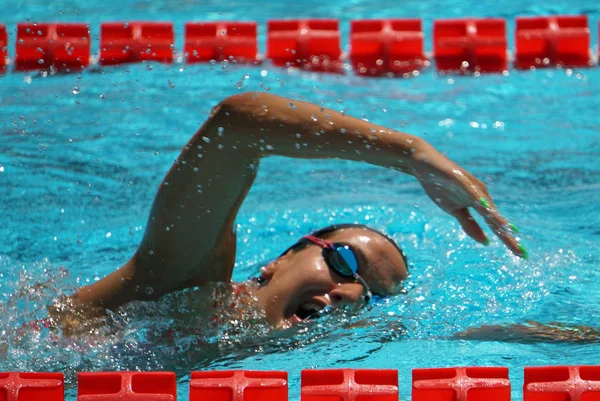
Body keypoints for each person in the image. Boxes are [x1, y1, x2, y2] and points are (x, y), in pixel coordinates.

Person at [49, 91, 525, 334]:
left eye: (372, 296)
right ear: (278, 261)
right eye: (344, 262)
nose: (352, 293)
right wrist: (410, 152)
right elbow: (235, 126)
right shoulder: (189, 285)